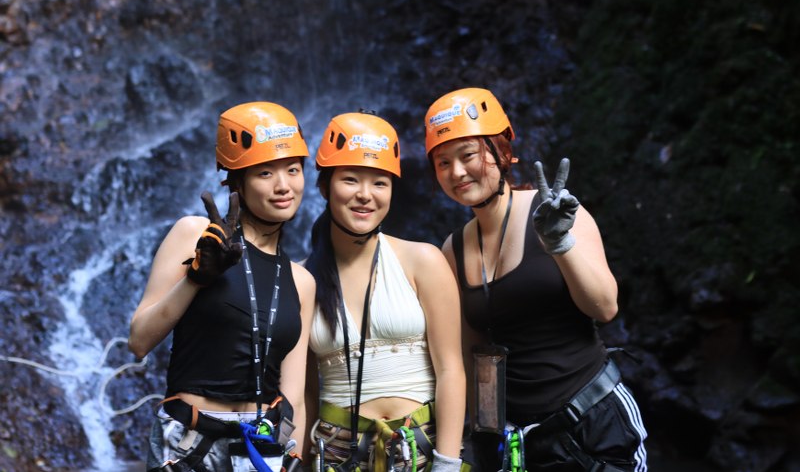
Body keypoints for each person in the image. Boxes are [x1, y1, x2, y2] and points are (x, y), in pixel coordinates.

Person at [423, 87, 648, 472]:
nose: (457, 172)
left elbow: (605, 307)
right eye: (443, 162)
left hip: (594, 422)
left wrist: (561, 244)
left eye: (468, 155)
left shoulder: (555, 213)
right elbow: (470, 353)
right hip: (520, 442)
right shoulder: (453, 249)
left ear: (501, 151)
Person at [129, 101, 316, 472]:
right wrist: (196, 277)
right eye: (265, 172)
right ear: (236, 181)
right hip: (189, 442)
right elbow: (139, 340)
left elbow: (293, 392)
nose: (284, 186)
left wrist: (292, 455)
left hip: (261, 447)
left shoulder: (301, 280)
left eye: (293, 170)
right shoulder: (193, 234)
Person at [303, 110, 467, 472]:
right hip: (335, 453)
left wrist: (448, 463)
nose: (365, 195)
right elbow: (306, 392)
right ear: (325, 186)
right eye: (350, 179)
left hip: (420, 447)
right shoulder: (303, 279)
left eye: (380, 182)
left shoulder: (423, 261)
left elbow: (451, 369)